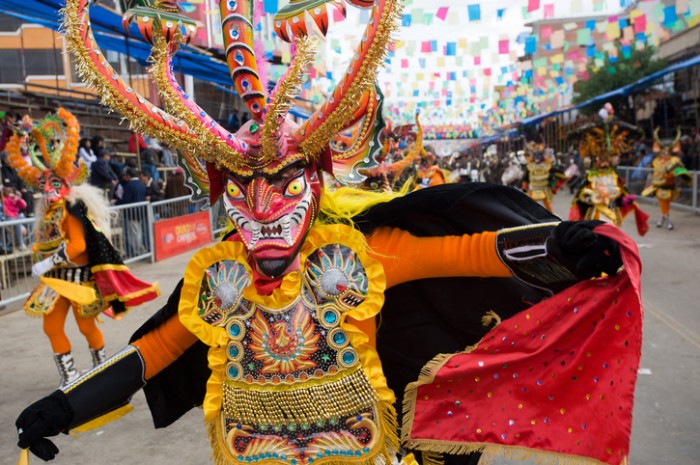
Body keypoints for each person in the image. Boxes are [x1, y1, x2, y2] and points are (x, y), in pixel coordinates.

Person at [16, 2, 643, 465]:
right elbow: (153, 352)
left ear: (314, 183)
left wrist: (564, 245)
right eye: (241, 188)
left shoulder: (363, 252)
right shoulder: (220, 275)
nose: (262, 206)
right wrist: (66, 407)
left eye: (284, 185)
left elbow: (469, 252)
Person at [3, 108, 159, 390]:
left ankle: (100, 366)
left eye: (54, 182)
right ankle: (70, 375)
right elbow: (49, 240)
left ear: (65, 183)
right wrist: (39, 249)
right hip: (56, 280)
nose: (48, 187)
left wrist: (47, 262)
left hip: (77, 279)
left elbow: (79, 245)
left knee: (86, 327)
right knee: (51, 327)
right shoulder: (48, 211)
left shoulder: (72, 208)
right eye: (43, 183)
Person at [569, 105, 649, 236]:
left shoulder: (613, 175)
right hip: (595, 213)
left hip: (611, 213)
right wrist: (590, 197)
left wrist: (625, 200)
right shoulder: (591, 177)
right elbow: (582, 196)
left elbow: (621, 192)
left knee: (612, 239)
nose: (604, 162)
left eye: (607, 159)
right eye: (600, 159)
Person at [641, 129, 691, 230]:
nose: (665, 153)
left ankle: (665, 217)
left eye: (667, 150)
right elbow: (653, 172)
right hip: (658, 186)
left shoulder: (674, 161)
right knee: (662, 203)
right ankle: (664, 217)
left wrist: (679, 180)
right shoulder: (656, 161)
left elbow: (680, 172)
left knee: (666, 202)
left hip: (669, 187)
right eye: (663, 150)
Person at [521, 142, 566, 211]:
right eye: (536, 155)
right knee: (533, 204)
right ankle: (532, 216)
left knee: (546, 203)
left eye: (539, 155)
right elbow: (526, 177)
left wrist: (555, 183)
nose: (537, 157)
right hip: (533, 187)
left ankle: (551, 215)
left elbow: (557, 172)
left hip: (544, 188)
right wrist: (524, 186)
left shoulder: (547, 165)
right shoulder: (530, 166)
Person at [2, 185, 28, 250]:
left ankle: (31, 242)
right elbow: (6, 211)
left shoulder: (14, 198)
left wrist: (18, 199)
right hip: (8, 217)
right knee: (17, 223)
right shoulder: (3, 199)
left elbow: (24, 206)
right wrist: (15, 218)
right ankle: (20, 243)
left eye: (10, 191)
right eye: (8, 191)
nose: (10, 192)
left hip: (16, 215)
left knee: (28, 221)